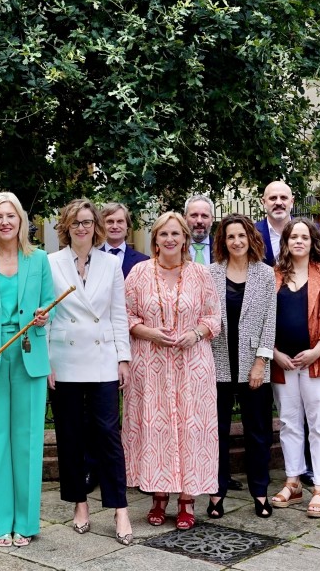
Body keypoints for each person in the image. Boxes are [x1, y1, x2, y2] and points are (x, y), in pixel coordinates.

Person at [0, 192, 56, 547]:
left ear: (21, 220)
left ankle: (26, 523)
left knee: (28, 442)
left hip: (29, 354)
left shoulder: (39, 259)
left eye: (11, 215)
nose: (5, 222)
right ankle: (1, 522)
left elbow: (49, 302)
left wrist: (45, 314)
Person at [123, 211, 220, 531]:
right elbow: (124, 315)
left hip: (192, 365)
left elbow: (213, 317)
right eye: (163, 234)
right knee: (156, 428)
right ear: (155, 239)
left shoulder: (200, 274)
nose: (169, 239)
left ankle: (187, 500)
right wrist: (149, 332)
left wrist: (195, 334)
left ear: (185, 239)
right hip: (150, 365)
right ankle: (159, 495)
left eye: (175, 233)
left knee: (190, 429)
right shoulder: (138, 273)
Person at [47, 199, 133, 543]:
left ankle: (120, 508)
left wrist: (123, 358)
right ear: (65, 227)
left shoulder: (111, 264)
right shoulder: (50, 263)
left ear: (95, 226)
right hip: (64, 360)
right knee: (70, 436)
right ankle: (79, 502)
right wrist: (46, 362)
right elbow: (45, 316)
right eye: (75, 223)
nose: (81, 228)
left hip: (102, 360)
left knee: (108, 436)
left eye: (87, 222)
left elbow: (118, 314)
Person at [268, 217, 320, 519]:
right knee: (288, 423)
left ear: (313, 242)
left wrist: (316, 351)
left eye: (304, 237)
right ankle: (293, 481)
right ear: (285, 242)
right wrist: (274, 354)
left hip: (318, 361)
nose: (298, 241)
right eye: (293, 237)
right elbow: (264, 318)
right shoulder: (274, 274)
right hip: (283, 363)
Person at [205, 214, 276, 519]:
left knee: (258, 432)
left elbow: (269, 322)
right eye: (230, 236)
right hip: (217, 362)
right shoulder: (210, 273)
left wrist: (261, 362)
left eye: (241, 236)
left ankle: (260, 492)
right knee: (217, 432)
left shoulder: (266, 274)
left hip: (253, 364)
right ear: (223, 241)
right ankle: (216, 492)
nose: (236, 242)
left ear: (251, 238)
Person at [100, 202, 149, 278]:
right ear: (102, 226)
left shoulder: (143, 261)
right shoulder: (91, 258)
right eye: (110, 221)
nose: (115, 226)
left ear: (127, 226)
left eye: (120, 221)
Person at [254, 181, 294, 267]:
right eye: (273, 198)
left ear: (292, 202)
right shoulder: (252, 232)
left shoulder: (309, 231)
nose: (278, 203)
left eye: (283, 198)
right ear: (264, 202)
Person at [183, 195, 215, 264]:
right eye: (194, 216)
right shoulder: (176, 248)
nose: (199, 221)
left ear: (212, 220)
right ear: (185, 219)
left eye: (204, 216)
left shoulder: (222, 249)